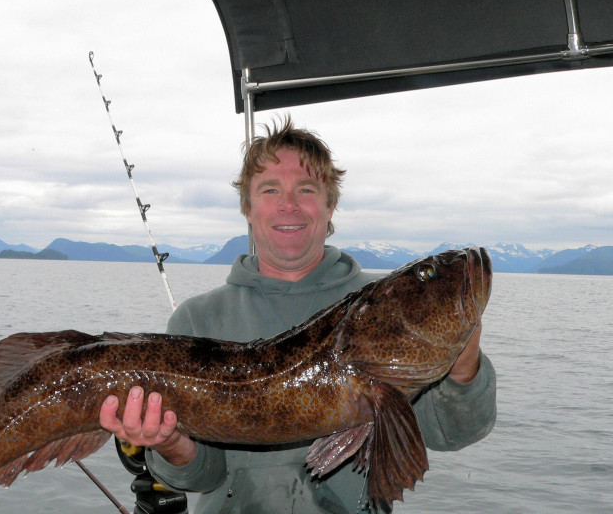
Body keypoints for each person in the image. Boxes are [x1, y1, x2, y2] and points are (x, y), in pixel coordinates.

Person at [99, 116, 497, 514]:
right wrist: (169, 443)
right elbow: (201, 477)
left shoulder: (382, 308)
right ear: (248, 208)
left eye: (306, 189)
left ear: (330, 206)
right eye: (270, 189)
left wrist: (464, 366)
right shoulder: (196, 320)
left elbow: (452, 433)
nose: (288, 204)